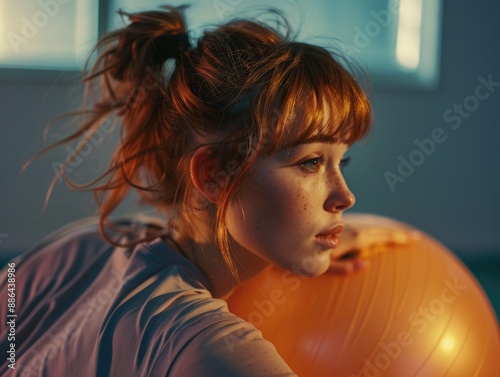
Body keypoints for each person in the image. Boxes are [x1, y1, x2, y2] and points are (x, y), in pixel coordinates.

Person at [0, 5, 415, 376]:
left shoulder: (86, 240)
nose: (345, 197)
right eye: (310, 162)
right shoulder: (214, 351)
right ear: (214, 174)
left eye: (340, 162)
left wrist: (316, 234)